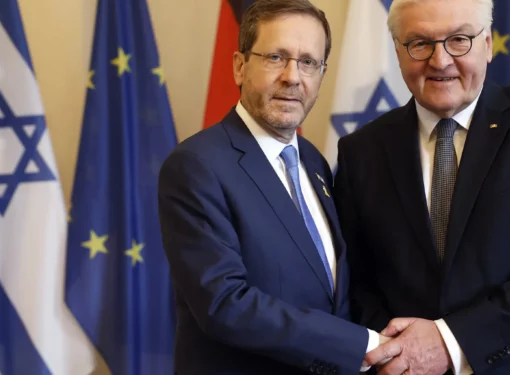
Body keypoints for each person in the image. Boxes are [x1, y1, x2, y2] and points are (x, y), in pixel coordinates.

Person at [334, 0, 510, 374]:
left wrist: (451, 341)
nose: (440, 60)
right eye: (419, 43)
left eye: (459, 39)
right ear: (398, 50)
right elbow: (358, 279)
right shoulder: (361, 151)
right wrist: (400, 349)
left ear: (488, 43)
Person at [157, 1, 385, 374]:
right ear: (239, 66)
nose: (293, 77)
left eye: (309, 62)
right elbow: (225, 303)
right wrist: (362, 343)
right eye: (277, 57)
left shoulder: (314, 162)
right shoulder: (197, 166)